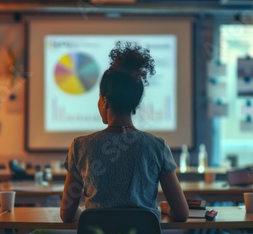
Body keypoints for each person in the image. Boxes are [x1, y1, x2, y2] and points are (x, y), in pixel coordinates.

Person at [60, 41, 189, 223]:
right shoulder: (157, 146)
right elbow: (182, 214)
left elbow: (66, 215)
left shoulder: (80, 146)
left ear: (105, 101)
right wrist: (164, 209)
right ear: (135, 102)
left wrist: (90, 216)